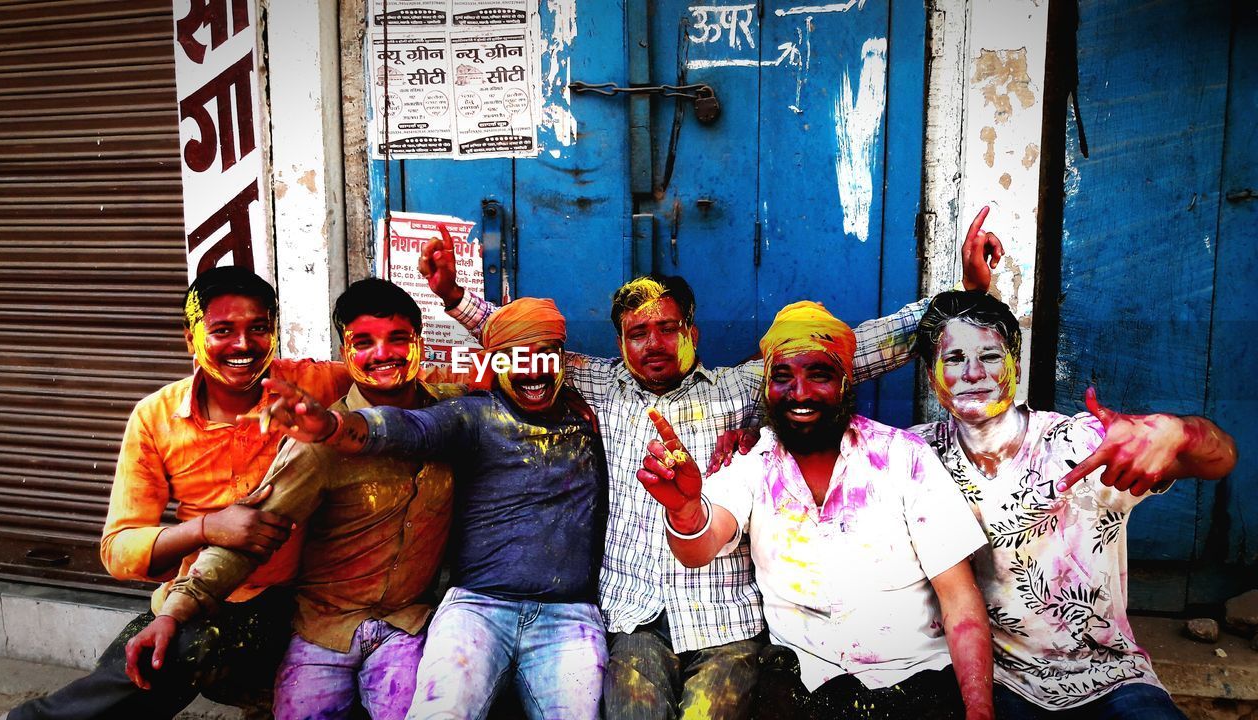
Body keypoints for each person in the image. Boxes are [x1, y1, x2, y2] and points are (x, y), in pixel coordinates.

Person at [414, 208, 1004, 719]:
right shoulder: (601, 385)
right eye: (637, 332)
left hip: (726, 621)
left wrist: (967, 294)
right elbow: (526, 345)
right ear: (620, 343)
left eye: (668, 328)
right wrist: (452, 299)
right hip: (632, 617)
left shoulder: (741, 388)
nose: (653, 344)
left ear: (692, 331)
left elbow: (863, 346)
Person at [7, 266, 353, 720]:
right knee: (146, 665)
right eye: (222, 331)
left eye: (259, 329)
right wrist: (210, 527)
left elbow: (393, 375)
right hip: (202, 600)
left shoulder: (308, 385)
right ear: (191, 339)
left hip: (300, 601)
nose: (243, 346)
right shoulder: (155, 417)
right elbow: (119, 549)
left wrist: (457, 307)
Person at [122, 278, 465, 719]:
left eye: (398, 340)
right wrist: (173, 614)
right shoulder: (316, 441)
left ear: (419, 344)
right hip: (322, 630)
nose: (382, 355)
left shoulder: (457, 414)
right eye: (363, 343)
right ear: (344, 353)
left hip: (409, 626)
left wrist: (458, 301)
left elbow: (518, 361)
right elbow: (253, 530)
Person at [634, 300, 994, 719]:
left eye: (819, 375)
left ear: (846, 381)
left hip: (915, 685)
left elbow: (960, 601)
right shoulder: (755, 463)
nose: (799, 393)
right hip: (800, 687)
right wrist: (685, 511)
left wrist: (979, 709)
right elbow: (699, 546)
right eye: (782, 377)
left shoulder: (904, 458)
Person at [258, 297, 609, 720]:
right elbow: (410, 427)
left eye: (545, 357)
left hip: (568, 616)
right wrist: (336, 426)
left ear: (564, 360)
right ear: (496, 365)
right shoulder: (471, 415)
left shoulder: (594, 417)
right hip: (477, 610)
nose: (531, 370)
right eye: (517, 358)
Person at [909, 290, 1238, 718]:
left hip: (1108, 677)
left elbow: (1222, 457)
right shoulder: (914, 456)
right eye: (953, 359)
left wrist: (1181, 432)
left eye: (990, 356)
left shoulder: (1079, 444)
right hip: (992, 680)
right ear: (933, 376)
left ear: (1016, 364)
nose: (973, 373)